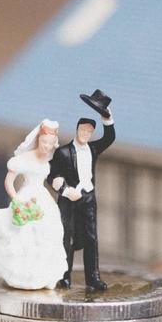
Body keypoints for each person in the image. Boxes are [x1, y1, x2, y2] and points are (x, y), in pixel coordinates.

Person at [0, 120, 68, 290]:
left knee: (48, 230)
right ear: (38, 140)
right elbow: (9, 181)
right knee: (24, 233)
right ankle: (23, 274)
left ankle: (43, 274)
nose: (46, 146)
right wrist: (16, 199)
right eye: (44, 142)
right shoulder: (24, 159)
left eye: (50, 144)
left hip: (42, 197)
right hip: (27, 195)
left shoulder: (50, 159)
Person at [50, 90, 114, 291]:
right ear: (77, 130)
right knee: (66, 236)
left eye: (89, 132)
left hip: (88, 197)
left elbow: (110, 137)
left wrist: (107, 116)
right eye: (83, 131)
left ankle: (93, 277)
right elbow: (51, 175)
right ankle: (64, 275)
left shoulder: (93, 149)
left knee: (91, 238)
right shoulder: (63, 152)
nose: (85, 134)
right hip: (69, 199)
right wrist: (66, 190)